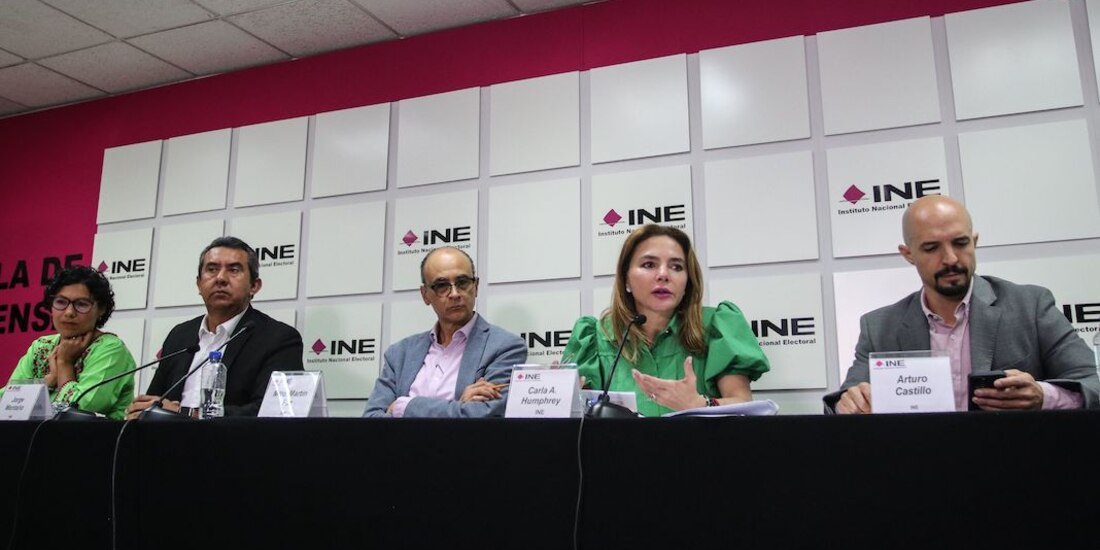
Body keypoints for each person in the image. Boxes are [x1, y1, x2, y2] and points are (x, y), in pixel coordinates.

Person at [826, 195, 1099, 414]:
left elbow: (1092, 386)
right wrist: (848, 403)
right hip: (917, 463)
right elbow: (842, 402)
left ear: (974, 242)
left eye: (960, 243)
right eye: (931, 248)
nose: (951, 259)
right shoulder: (879, 327)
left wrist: (1043, 396)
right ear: (908, 254)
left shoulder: (1030, 306)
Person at [562, 224, 769, 417]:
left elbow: (743, 403)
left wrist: (699, 404)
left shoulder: (715, 325)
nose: (663, 275)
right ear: (626, 279)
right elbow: (581, 418)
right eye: (649, 264)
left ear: (688, 280)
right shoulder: (596, 337)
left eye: (676, 267)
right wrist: (563, 397)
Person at [126, 236, 303, 418]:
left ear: (254, 286)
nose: (220, 278)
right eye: (212, 269)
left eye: (233, 270)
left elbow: (273, 411)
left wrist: (188, 414)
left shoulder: (278, 338)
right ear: (199, 284)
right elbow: (157, 401)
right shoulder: (180, 335)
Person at [364, 246, 526, 418]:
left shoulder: (505, 347)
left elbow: (486, 413)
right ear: (425, 295)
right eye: (442, 286)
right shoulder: (399, 354)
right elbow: (372, 417)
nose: (455, 294)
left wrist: (404, 406)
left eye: (462, 282)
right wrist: (459, 406)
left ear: (476, 286)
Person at [1, 266, 136, 419]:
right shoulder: (42, 346)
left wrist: (65, 363)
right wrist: (49, 380)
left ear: (101, 309)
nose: (69, 312)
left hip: (91, 434)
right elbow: (7, 404)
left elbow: (82, 411)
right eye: (61, 302)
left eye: (82, 304)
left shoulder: (111, 349)